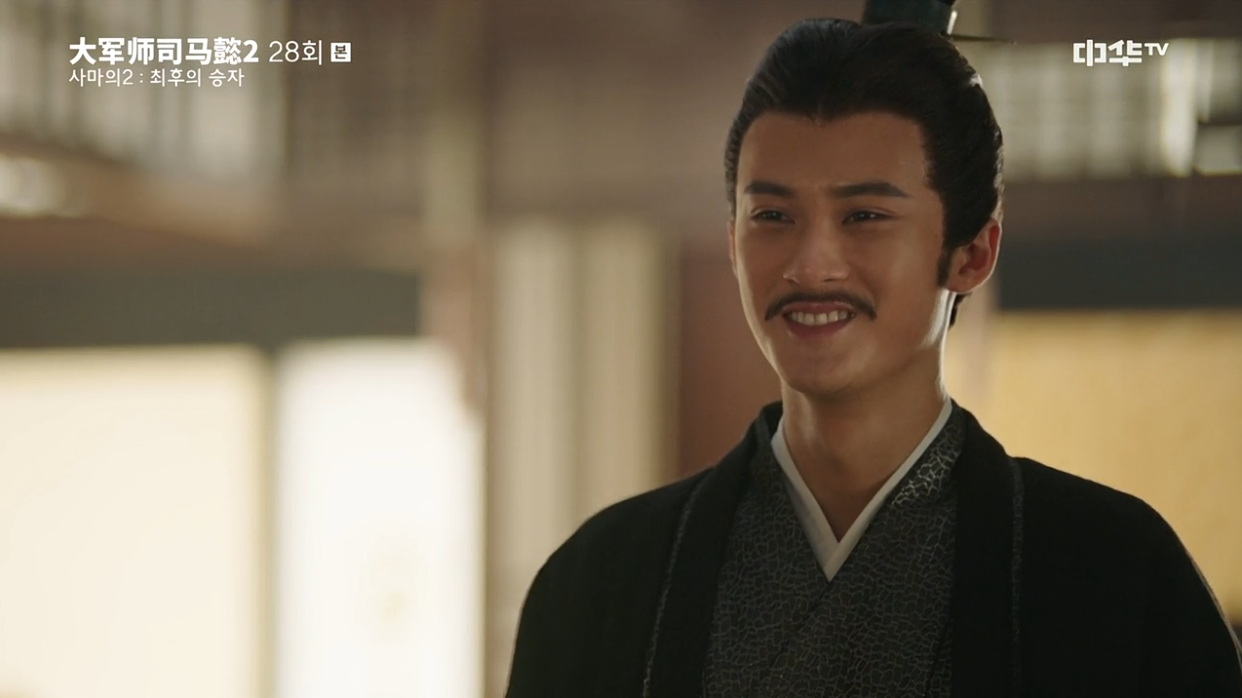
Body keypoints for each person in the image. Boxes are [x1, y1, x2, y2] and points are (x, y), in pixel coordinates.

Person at [504, 17, 1242, 698]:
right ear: (732, 243)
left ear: (972, 253)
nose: (810, 264)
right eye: (772, 216)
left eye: (864, 216)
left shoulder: (1111, 571)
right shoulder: (605, 580)